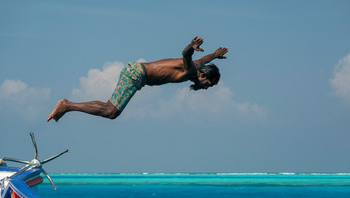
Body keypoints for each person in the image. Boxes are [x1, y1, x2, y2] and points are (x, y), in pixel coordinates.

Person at [47, 36, 228, 122]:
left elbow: (206, 59)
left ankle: (68, 106)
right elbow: (185, 54)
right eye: (207, 84)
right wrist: (190, 46)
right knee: (111, 111)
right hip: (136, 74)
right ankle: (67, 105)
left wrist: (215, 54)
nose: (205, 88)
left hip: (137, 73)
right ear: (202, 75)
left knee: (111, 110)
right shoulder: (190, 70)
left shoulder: (200, 65)